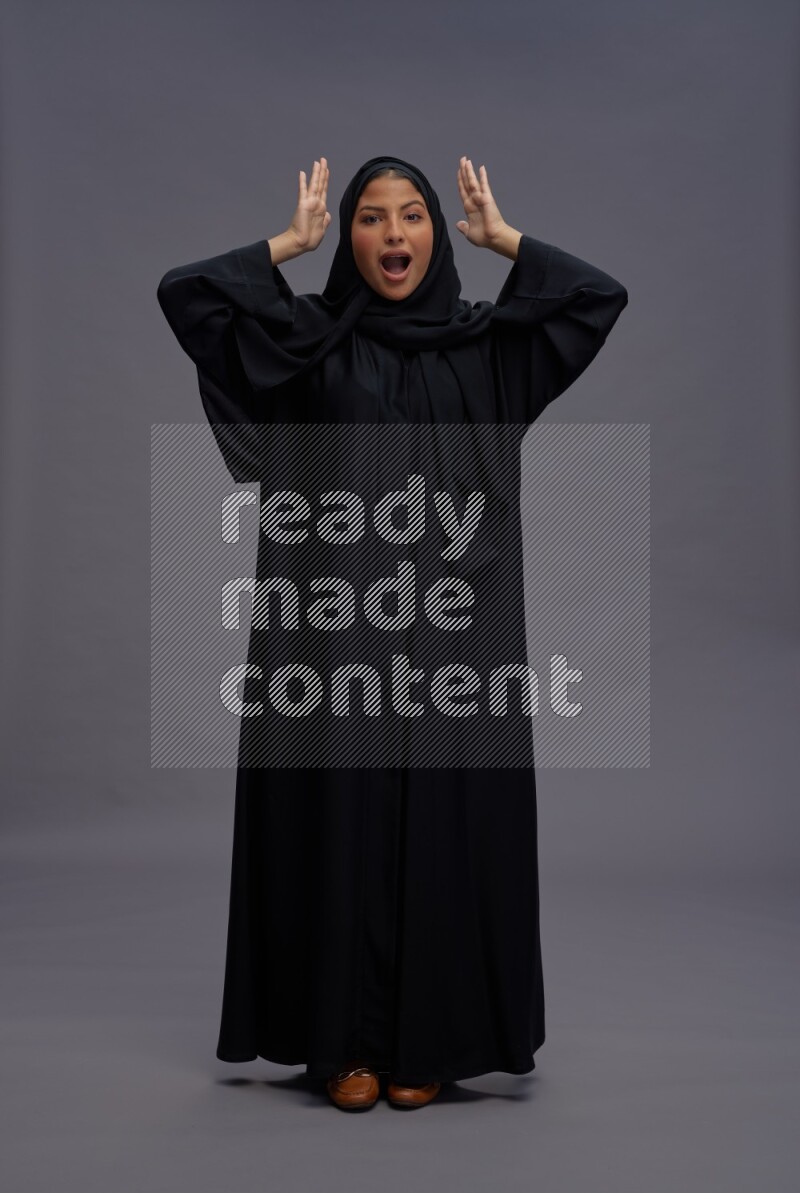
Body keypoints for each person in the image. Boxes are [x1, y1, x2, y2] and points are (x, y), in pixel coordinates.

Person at [156, 155, 628, 1111]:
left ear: (438, 235)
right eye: (371, 218)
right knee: (337, 821)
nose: (394, 234)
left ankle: (429, 1041)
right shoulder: (307, 344)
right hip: (335, 636)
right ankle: (342, 1046)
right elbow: (189, 298)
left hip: (458, 639)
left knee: (449, 824)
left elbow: (595, 299)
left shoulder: (488, 350)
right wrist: (287, 245)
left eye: (413, 215)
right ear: (351, 238)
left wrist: (507, 240)